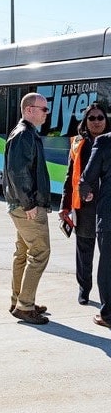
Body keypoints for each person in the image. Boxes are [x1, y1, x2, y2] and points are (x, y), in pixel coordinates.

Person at [2, 93, 51, 325]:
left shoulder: (25, 133)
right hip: (27, 207)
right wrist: (30, 204)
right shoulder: (24, 135)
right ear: (30, 110)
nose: (46, 113)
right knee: (40, 253)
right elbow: (18, 172)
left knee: (23, 254)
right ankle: (24, 306)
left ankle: (19, 300)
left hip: (19, 205)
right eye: (44, 109)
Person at [59, 103, 108, 305]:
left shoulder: (109, 142)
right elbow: (70, 176)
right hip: (85, 207)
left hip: (107, 205)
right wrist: (65, 205)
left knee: (107, 253)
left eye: (100, 117)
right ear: (85, 122)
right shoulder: (78, 143)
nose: (96, 121)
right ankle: (84, 288)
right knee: (84, 250)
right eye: (92, 118)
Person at [79, 122, 111, 328]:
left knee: (108, 266)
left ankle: (107, 315)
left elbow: (87, 178)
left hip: (108, 215)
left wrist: (87, 193)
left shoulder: (104, 142)